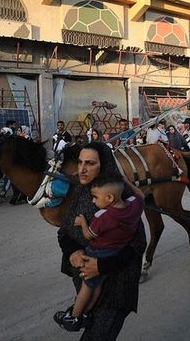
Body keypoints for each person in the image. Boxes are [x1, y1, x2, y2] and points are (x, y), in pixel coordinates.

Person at [53, 142, 146, 340]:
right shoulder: (80, 192)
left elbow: (138, 245)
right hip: (87, 281)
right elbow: (65, 230)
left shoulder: (121, 201)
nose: (82, 169)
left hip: (116, 287)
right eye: (80, 162)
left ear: (104, 165)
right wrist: (73, 252)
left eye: (90, 163)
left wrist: (102, 265)